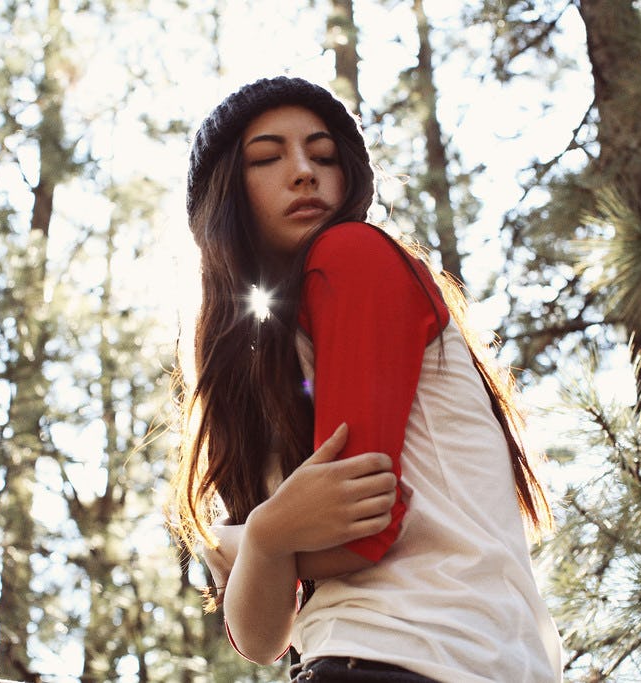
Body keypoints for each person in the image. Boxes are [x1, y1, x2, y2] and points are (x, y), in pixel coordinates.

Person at [172, 75, 562, 682]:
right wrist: (268, 540)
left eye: (323, 155)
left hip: (416, 653)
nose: (304, 171)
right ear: (227, 192)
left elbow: (366, 526)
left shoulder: (352, 255)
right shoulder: (254, 370)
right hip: (380, 658)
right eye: (268, 157)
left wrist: (254, 540)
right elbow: (260, 634)